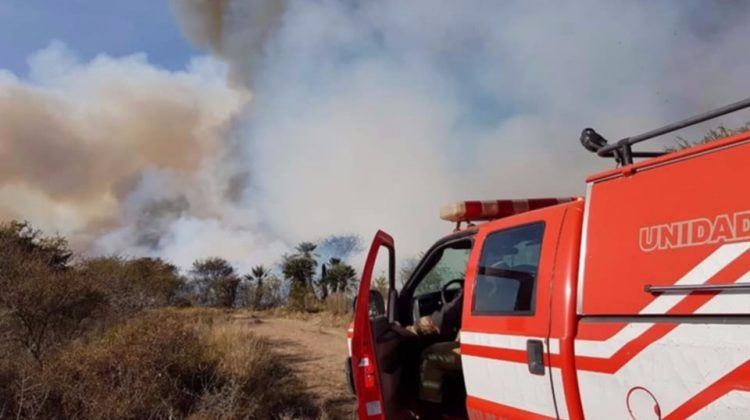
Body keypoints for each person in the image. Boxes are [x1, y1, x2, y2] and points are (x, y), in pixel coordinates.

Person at [393, 289, 464, 405]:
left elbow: (441, 321)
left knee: (429, 356)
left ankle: (431, 408)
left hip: (480, 350)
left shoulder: (478, 287)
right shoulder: (496, 284)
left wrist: (412, 330)